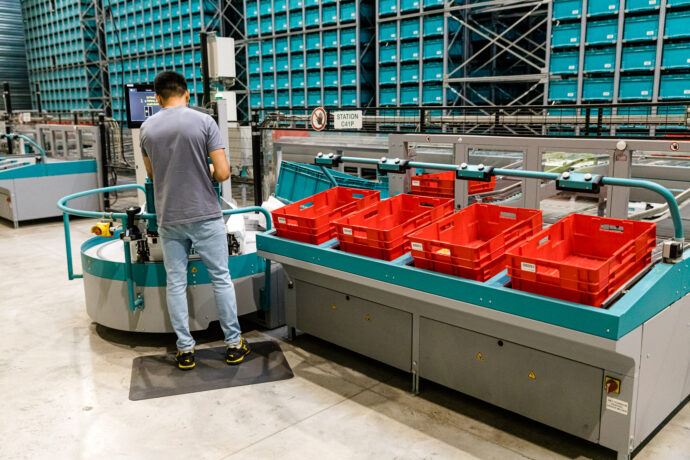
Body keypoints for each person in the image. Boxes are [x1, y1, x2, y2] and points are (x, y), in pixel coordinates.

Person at [140, 71, 250, 370]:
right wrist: (208, 173)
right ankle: (233, 344)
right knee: (220, 279)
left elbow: (151, 175)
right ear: (187, 94)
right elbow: (224, 173)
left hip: (169, 217)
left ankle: (185, 350)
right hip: (204, 214)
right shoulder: (204, 122)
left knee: (175, 283)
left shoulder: (147, 128)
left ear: (158, 97)